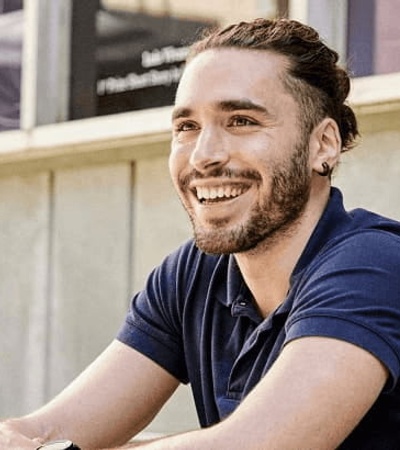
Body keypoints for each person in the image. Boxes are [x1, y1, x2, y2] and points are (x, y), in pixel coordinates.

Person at [2, 17, 400, 450]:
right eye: (187, 127)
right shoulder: (196, 273)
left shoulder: (374, 263)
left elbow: (256, 445)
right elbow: (41, 433)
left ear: (323, 145)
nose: (204, 155)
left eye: (242, 121)